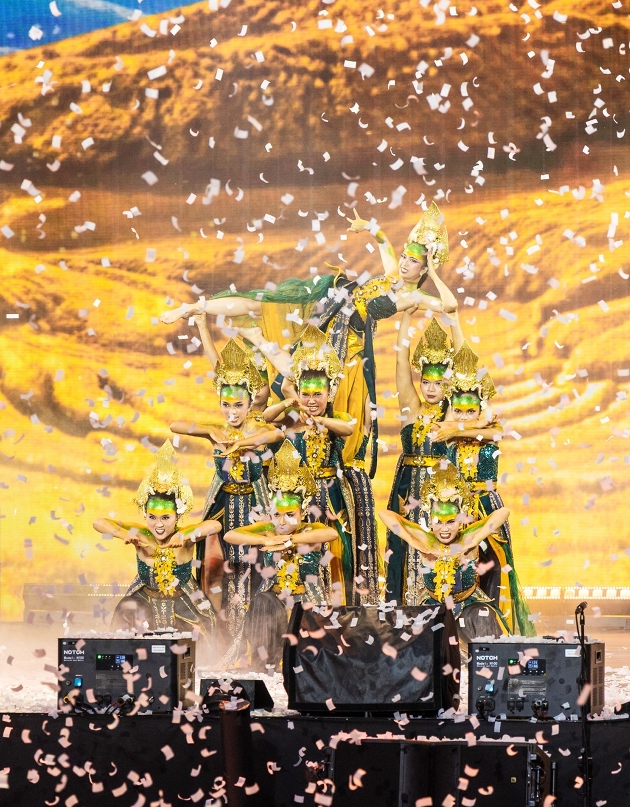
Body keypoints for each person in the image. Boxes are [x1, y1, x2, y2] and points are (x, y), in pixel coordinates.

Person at [160, 204, 460, 478]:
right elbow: (383, 243)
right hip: (330, 304)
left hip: (346, 346)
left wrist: (435, 273)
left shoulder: (415, 296)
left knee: (300, 379)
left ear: (423, 268)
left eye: (414, 261)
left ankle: (259, 341)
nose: (405, 263)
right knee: (266, 304)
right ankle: (194, 308)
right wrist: (369, 227)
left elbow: (450, 305)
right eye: (405, 256)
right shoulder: (393, 274)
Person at [169, 339, 284, 660]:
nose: (232, 412)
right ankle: (220, 638)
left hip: (254, 510)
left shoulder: (259, 428)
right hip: (222, 510)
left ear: (250, 402)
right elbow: (175, 424)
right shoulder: (218, 428)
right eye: (226, 405)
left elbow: (277, 435)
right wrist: (210, 432)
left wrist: (243, 442)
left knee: (254, 572)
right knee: (217, 572)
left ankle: (253, 643)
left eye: (238, 405)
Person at [262, 324, 379, 604]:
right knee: (300, 558)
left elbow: (349, 429)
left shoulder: (335, 419)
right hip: (296, 501)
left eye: (318, 394)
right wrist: (289, 402)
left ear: (329, 392)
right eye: (306, 394)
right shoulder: (292, 419)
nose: (312, 400)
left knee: (336, 551)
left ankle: (338, 609)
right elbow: (267, 416)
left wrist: (321, 421)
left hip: (331, 496)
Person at [431, 345, 535, 635]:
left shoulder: (486, 431)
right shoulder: (444, 430)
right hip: (457, 512)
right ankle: (461, 635)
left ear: (480, 408)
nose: (464, 416)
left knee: (495, 569)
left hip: (488, 506)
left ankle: (497, 631)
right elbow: (443, 428)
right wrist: (470, 424)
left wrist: (463, 428)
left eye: (471, 411)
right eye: (458, 410)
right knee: (462, 572)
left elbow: (497, 432)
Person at [224, 441, 342, 670]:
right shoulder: (269, 529)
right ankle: (265, 662)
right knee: (262, 602)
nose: (283, 521)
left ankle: (301, 662)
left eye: (290, 514)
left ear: (303, 511)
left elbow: (331, 534)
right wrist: (266, 541)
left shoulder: (309, 530)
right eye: (277, 514)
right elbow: (231, 535)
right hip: (275, 601)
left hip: (307, 600)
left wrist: (290, 541)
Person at [92, 441, 220, 633]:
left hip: (183, 606)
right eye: (152, 517)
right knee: (128, 611)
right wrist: (125, 535)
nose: (158, 525)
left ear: (177, 516)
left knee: (197, 635)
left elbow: (215, 525)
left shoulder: (184, 538)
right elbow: (99, 523)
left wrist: (184, 535)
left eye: (165, 518)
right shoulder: (142, 534)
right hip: (145, 605)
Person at [380, 464, 510, 647]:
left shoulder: (467, 538)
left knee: (481, 616)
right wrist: (412, 541)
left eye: (450, 522)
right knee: (418, 626)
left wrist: (474, 541)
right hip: (434, 607)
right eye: (438, 522)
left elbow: (503, 512)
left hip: (468, 605)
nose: (444, 529)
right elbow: (384, 514)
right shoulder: (427, 540)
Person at [386, 317, 459, 604]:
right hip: (407, 490)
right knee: (404, 547)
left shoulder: (452, 414)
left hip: (439, 496)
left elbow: (466, 365)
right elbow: (401, 361)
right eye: (426, 381)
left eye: (438, 383)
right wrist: (406, 316)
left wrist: (454, 321)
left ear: (448, 384)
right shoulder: (412, 408)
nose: (430, 389)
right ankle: (403, 610)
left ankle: (436, 610)